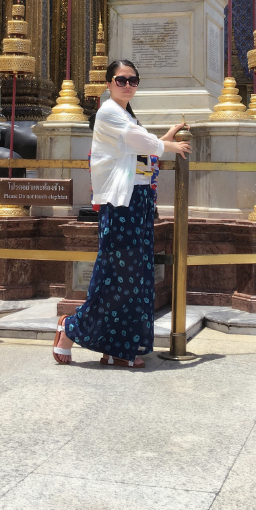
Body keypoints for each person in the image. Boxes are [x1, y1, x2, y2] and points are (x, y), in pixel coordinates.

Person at [52, 59, 191, 368]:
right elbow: (136, 141)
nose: (128, 85)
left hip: (138, 200)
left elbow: (138, 149)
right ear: (108, 84)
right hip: (120, 203)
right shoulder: (108, 112)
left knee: (135, 276)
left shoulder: (127, 116)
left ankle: (117, 347)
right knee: (116, 275)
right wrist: (170, 147)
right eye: (121, 80)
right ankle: (70, 328)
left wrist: (165, 138)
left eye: (133, 80)